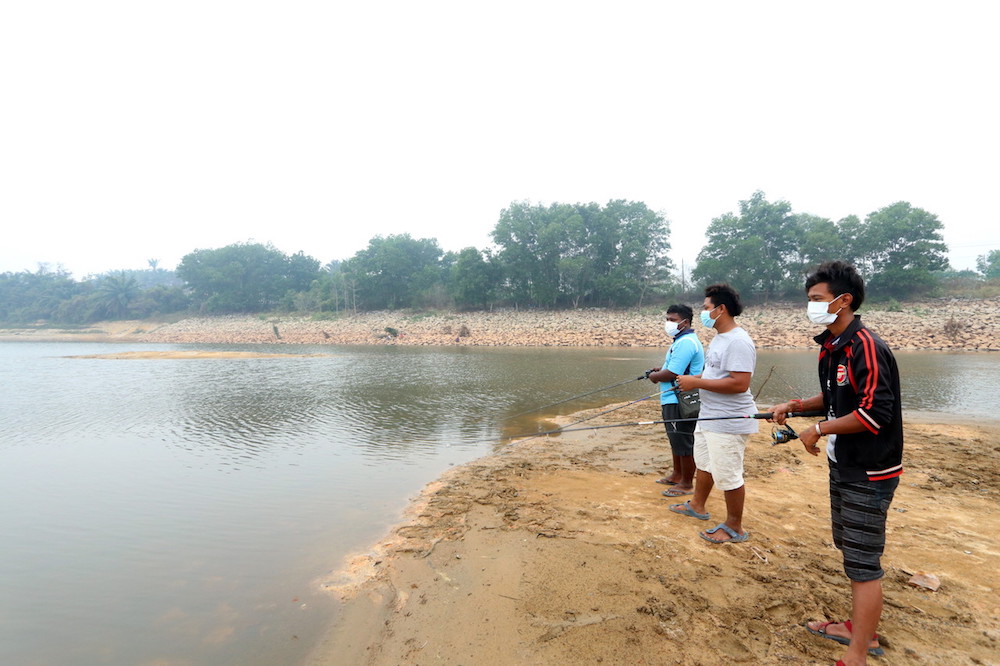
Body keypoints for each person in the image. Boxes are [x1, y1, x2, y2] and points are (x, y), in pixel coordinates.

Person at [769, 261, 902, 666]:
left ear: (843, 301)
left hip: (870, 470)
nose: (810, 306)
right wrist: (796, 407)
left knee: (863, 564)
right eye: (809, 300)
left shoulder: (865, 345)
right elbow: (835, 397)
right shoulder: (832, 346)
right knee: (850, 550)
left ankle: (859, 653)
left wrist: (820, 429)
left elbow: (875, 413)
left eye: (816, 300)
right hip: (844, 465)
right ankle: (857, 628)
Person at [670, 284, 757, 544]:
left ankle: (735, 527)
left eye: (707, 308)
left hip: (728, 420)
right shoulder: (720, 338)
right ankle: (697, 504)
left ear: (721, 309)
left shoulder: (739, 341)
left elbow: (739, 383)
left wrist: (696, 383)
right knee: (705, 463)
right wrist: (694, 378)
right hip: (709, 415)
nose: (703, 313)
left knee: (728, 473)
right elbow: (716, 376)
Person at [647, 304, 705, 496]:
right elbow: (671, 367)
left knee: (683, 440)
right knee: (675, 439)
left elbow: (673, 372)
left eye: (672, 320)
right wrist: (659, 370)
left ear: (685, 322)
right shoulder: (680, 341)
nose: (668, 323)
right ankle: (676, 475)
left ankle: (687, 484)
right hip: (671, 398)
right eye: (667, 319)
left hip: (680, 399)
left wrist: (656, 377)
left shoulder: (686, 342)